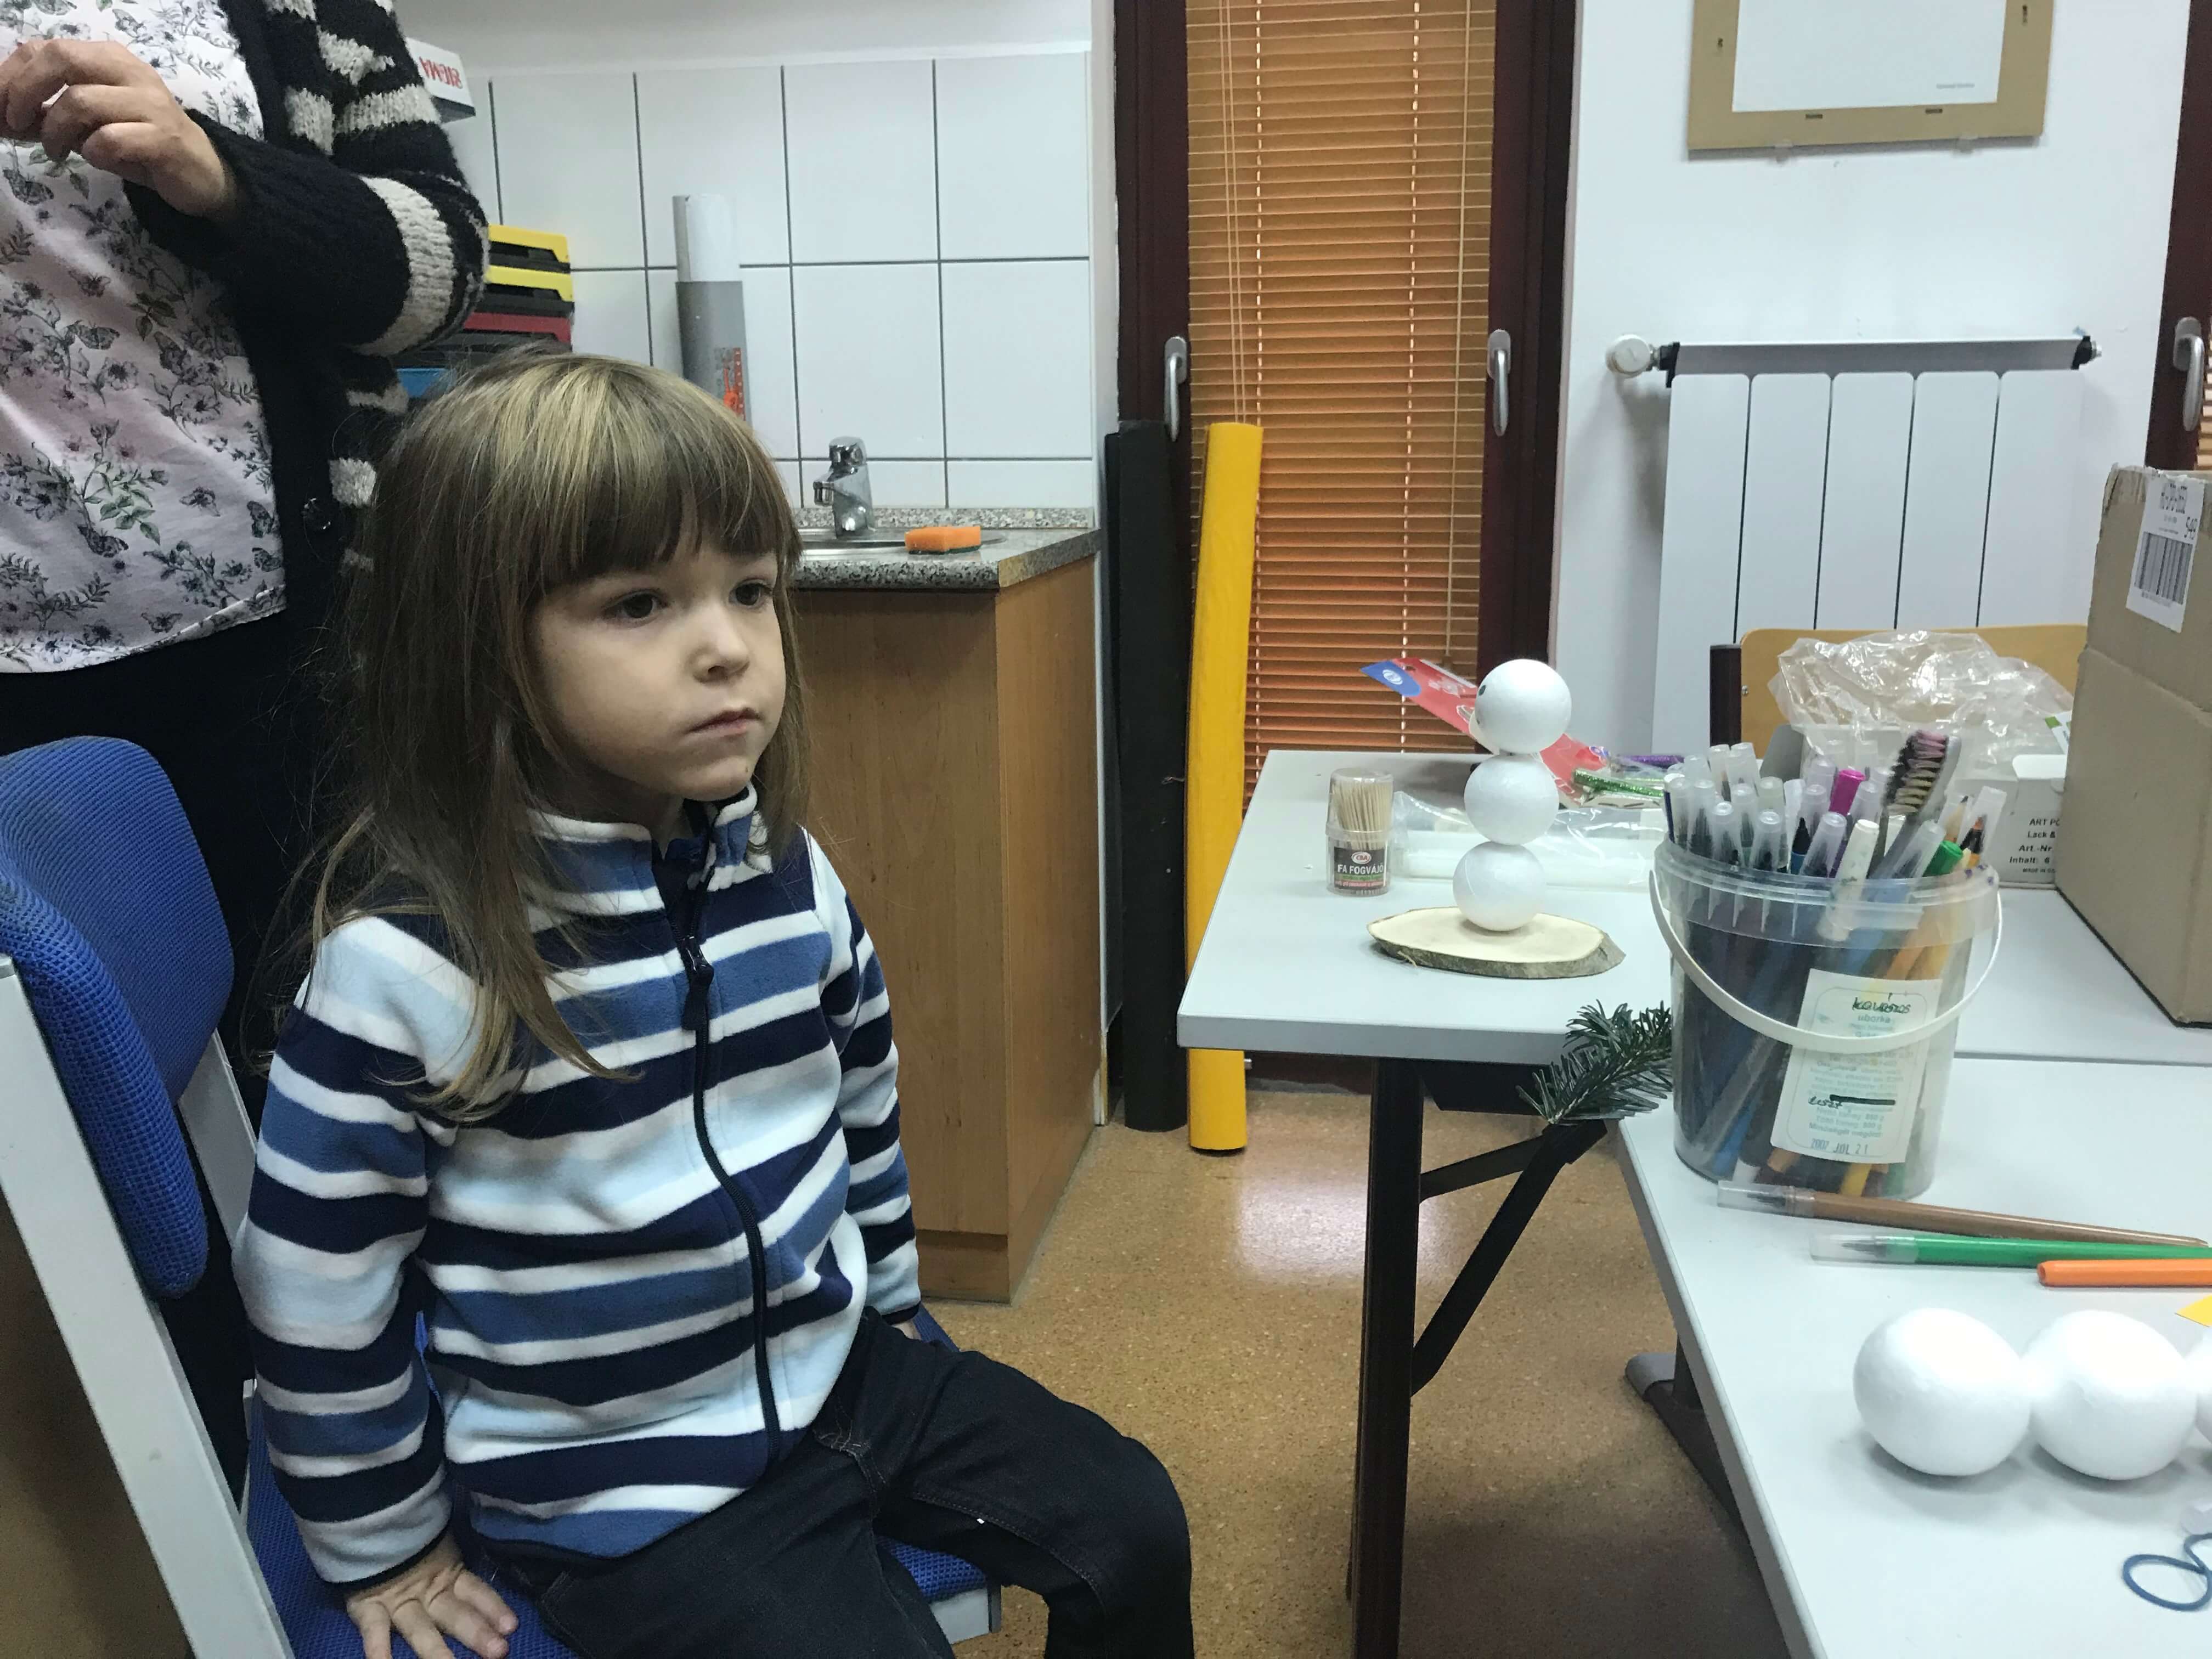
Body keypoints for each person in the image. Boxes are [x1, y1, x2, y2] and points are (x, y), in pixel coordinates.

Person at [235, 354, 1193, 1659]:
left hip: (845, 1370)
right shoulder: (406, 968)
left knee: (1132, 1521)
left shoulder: (783, 871)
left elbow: (862, 1105)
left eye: (751, 589)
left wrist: (893, 1301)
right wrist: (386, 1542)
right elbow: (314, 1292)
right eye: (640, 603)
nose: (728, 646)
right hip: (621, 1486)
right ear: (477, 649)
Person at [0, 4, 487, 1095]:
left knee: (342, 1057)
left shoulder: (311, 14)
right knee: (49, 1124)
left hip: (291, 658)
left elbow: (447, 275)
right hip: (16, 687)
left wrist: (218, 174)